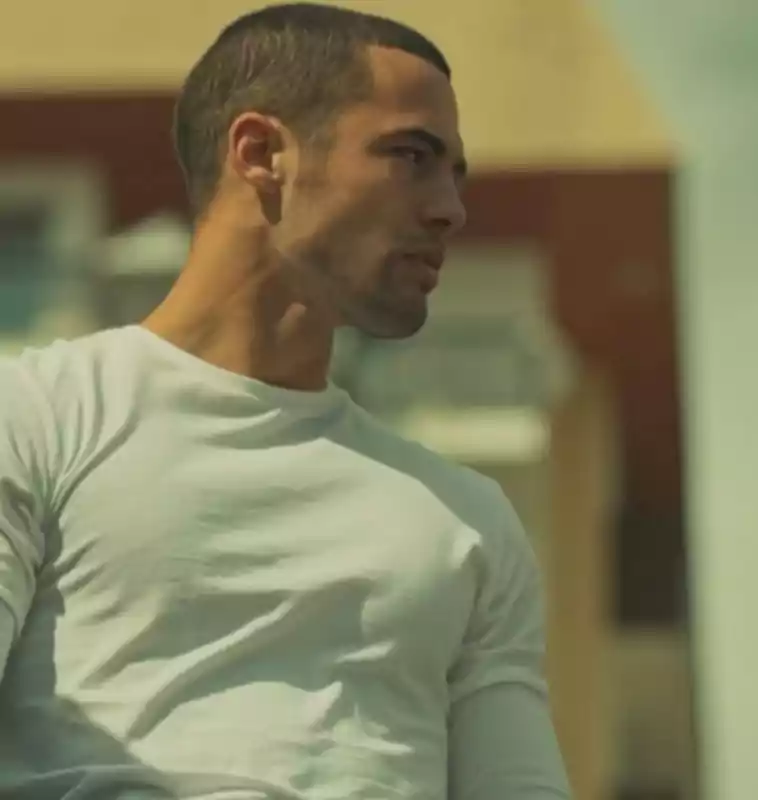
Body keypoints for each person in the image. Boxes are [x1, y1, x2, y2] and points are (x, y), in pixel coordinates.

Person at [0, 4, 571, 798]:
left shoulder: (470, 521)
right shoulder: (34, 417)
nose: (450, 208)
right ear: (263, 153)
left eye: (454, 173)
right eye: (412, 156)